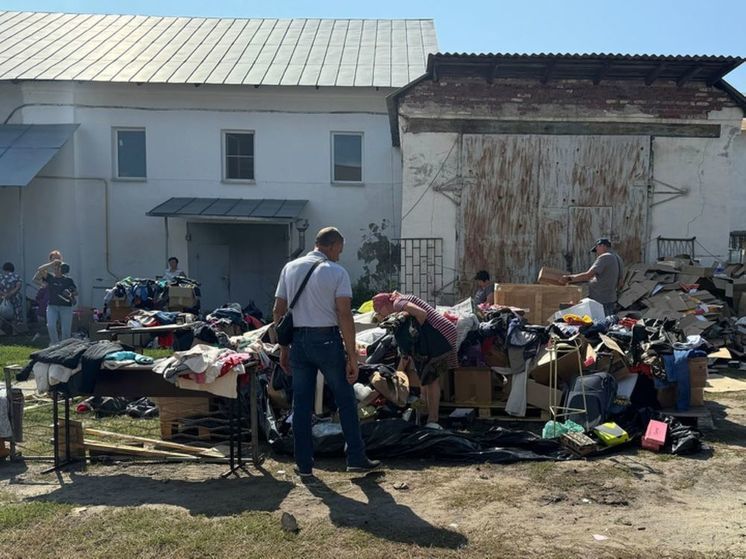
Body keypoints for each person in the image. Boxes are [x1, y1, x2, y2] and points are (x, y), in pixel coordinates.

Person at [273, 227, 380, 477]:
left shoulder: (290, 268)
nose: (339, 256)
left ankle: (304, 464)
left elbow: (278, 310)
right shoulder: (336, 272)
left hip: (298, 341)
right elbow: (344, 315)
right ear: (332, 245)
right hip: (327, 340)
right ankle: (355, 456)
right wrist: (352, 357)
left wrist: (283, 349)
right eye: (339, 250)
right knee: (345, 398)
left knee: (301, 404)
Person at [372, 291, 457, 429]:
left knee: (432, 377)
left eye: (378, 310)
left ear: (385, 304)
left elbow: (421, 314)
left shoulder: (398, 303)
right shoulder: (400, 305)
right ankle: (425, 413)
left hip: (440, 334)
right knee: (425, 375)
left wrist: (417, 334)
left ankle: (433, 419)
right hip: (437, 334)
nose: (380, 315)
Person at [563, 238, 625, 316]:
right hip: (610, 298)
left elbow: (588, 275)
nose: (597, 253)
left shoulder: (605, 257)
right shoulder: (618, 258)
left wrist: (569, 278)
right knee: (607, 323)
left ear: (602, 245)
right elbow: (621, 282)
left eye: (597, 249)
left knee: (599, 325)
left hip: (600, 300)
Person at [36, 258, 77, 345]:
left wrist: (70, 293)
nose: (56, 270)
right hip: (52, 306)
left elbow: (76, 292)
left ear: (62, 270)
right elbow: (40, 269)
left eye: (58, 268)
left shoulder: (68, 280)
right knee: (51, 326)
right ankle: (54, 344)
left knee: (66, 330)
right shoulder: (50, 278)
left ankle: (64, 346)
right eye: (55, 268)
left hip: (66, 307)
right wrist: (51, 263)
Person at [0, 262, 24, 331]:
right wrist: (11, 294)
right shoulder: (16, 276)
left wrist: (4, 295)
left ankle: (2, 331)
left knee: (2, 314)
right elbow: (18, 286)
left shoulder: (1, 277)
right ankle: (15, 331)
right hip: (15, 298)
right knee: (16, 314)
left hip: (2, 298)